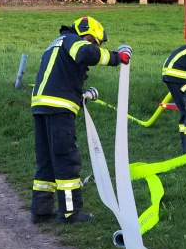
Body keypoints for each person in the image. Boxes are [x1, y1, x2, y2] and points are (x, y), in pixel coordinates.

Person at [30, 16, 132, 224]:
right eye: (92, 41)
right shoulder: (72, 40)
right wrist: (116, 57)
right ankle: (70, 213)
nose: (92, 46)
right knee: (66, 160)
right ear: (85, 34)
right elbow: (86, 53)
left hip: (41, 107)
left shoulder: (57, 44)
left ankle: (41, 210)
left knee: (46, 160)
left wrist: (83, 96)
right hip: (59, 109)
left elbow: (61, 78)